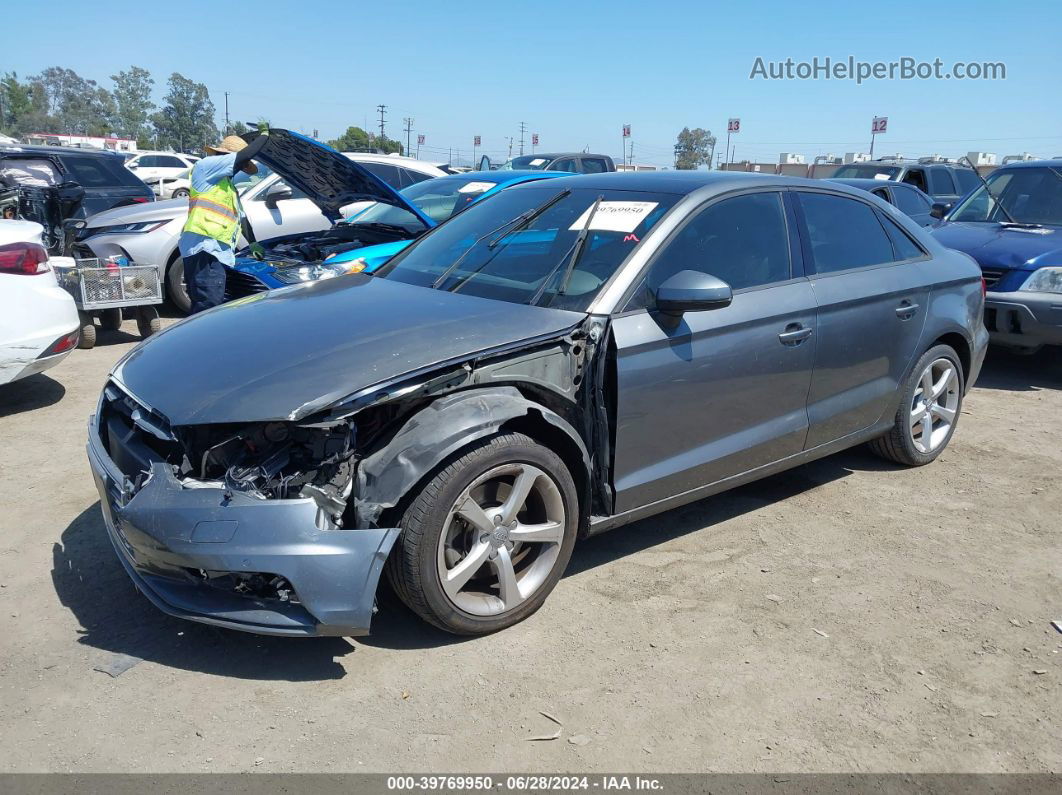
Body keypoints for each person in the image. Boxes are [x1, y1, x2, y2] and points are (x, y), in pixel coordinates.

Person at [179, 133, 268, 313]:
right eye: (239, 164)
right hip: (204, 248)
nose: (239, 168)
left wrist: (253, 243)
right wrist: (264, 137)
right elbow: (244, 155)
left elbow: (241, 219)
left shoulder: (226, 186)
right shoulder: (205, 167)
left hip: (215, 251)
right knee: (208, 307)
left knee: (211, 306)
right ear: (226, 158)